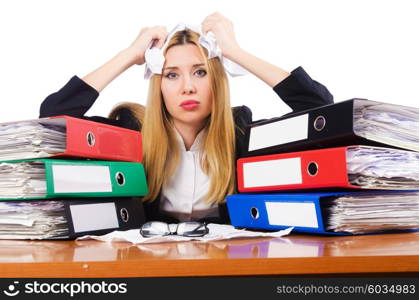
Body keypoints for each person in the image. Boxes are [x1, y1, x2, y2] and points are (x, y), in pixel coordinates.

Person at [39, 13, 333, 224]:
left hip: (227, 266)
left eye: (200, 71)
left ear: (217, 81)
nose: (187, 87)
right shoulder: (131, 134)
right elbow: (54, 117)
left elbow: (321, 112)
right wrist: (129, 54)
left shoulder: (242, 134)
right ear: (159, 85)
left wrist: (234, 52)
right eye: (172, 74)